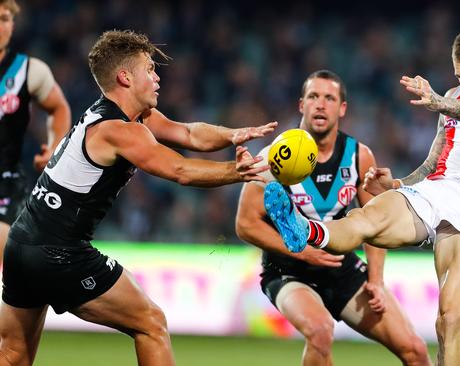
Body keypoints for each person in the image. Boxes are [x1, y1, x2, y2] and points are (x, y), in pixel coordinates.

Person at [264, 28, 460, 366]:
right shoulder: (455, 98)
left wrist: (438, 101)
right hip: (432, 191)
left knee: (449, 318)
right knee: (364, 219)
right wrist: (396, 184)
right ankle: (303, 229)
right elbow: (431, 165)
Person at [0, 30, 277, 366]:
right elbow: (180, 171)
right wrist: (240, 171)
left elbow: (189, 133)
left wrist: (232, 134)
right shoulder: (119, 132)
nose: (158, 77)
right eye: (150, 69)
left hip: (21, 245)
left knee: (14, 355)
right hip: (59, 252)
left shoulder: (118, 117)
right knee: (151, 324)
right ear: (125, 77)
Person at [236, 70, 431, 366]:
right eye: (313, 97)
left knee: (415, 350)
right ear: (301, 105)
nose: (320, 104)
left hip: (341, 267)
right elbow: (245, 224)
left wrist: (376, 280)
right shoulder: (274, 157)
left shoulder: (358, 156)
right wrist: (302, 252)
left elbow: (375, 223)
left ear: (342, 109)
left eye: (329, 98)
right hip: (288, 270)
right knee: (320, 331)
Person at [0, 0, 71, 265]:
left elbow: (59, 108)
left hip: (6, 184)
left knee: (12, 256)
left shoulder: (28, 71)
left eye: (5, 19)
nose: (0, 26)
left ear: (13, 25)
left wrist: (54, 147)